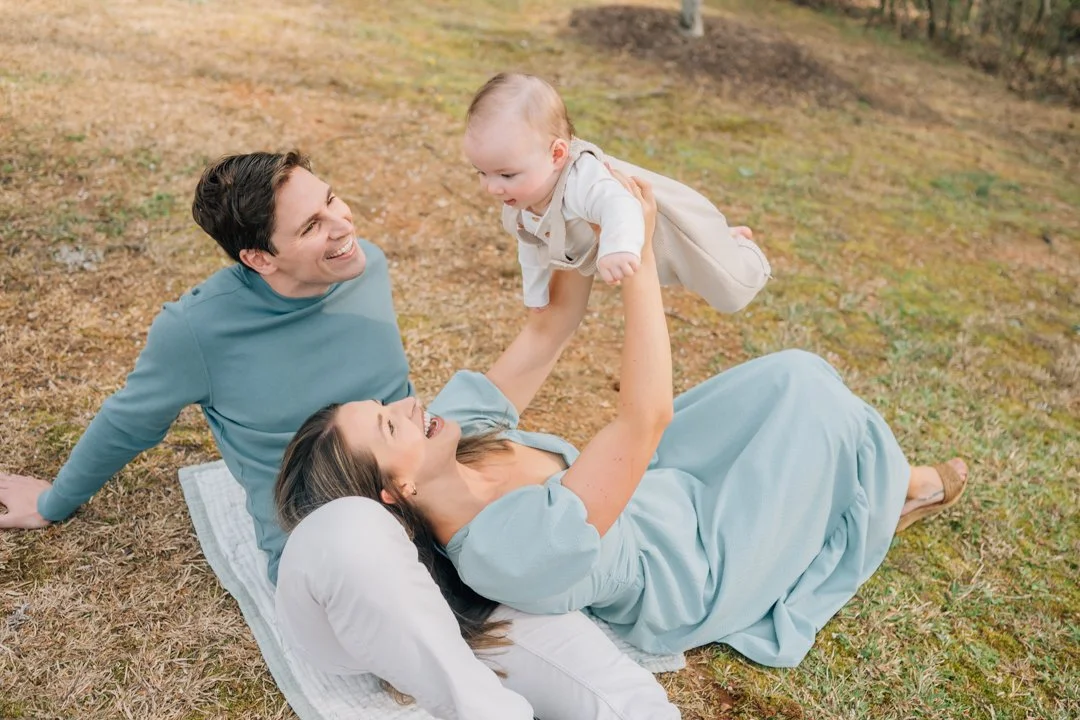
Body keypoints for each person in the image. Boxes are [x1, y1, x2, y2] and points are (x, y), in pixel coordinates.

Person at [0, 151, 680, 719]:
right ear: (259, 258)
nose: (344, 228)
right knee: (356, 528)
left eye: (333, 201)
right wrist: (56, 498)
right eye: (313, 226)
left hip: (438, 530)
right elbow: (131, 419)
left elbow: (515, 364)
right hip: (337, 552)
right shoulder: (196, 330)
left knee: (624, 702)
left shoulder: (363, 267)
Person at [277, 174, 970, 669]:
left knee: (797, 374)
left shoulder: (446, 435)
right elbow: (644, 417)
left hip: (659, 483)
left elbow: (549, 328)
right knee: (825, 419)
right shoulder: (504, 552)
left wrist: (572, 215)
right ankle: (896, 491)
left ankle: (877, 488)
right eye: (389, 426)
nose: (407, 405)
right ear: (392, 494)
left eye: (385, 405)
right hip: (691, 564)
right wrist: (636, 267)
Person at [463, 71, 771, 312]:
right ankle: (724, 238)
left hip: (667, 228)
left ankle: (743, 248)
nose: (492, 187)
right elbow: (531, 247)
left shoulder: (583, 178)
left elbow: (617, 204)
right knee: (677, 273)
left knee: (727, 288)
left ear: (557, 155)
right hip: (642, 254)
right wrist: (535, 295)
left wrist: (616, 247)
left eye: (506, 174)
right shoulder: (522, 199)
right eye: (482, 173)